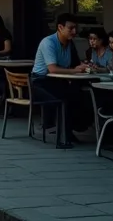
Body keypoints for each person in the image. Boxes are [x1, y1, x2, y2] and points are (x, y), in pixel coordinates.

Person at [31, 13, 89, 146]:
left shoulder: (70, 44)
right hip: (40, 82)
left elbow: (74, 64)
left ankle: (73, 129)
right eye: (71, 28)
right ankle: (63, 137)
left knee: (80, 95)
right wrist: (75, 70)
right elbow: (53, 69)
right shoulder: (48, 42)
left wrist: (84, 66)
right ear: (60, 27)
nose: (74, 32)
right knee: (64, 99)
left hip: (58, 81)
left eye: (76, 28)